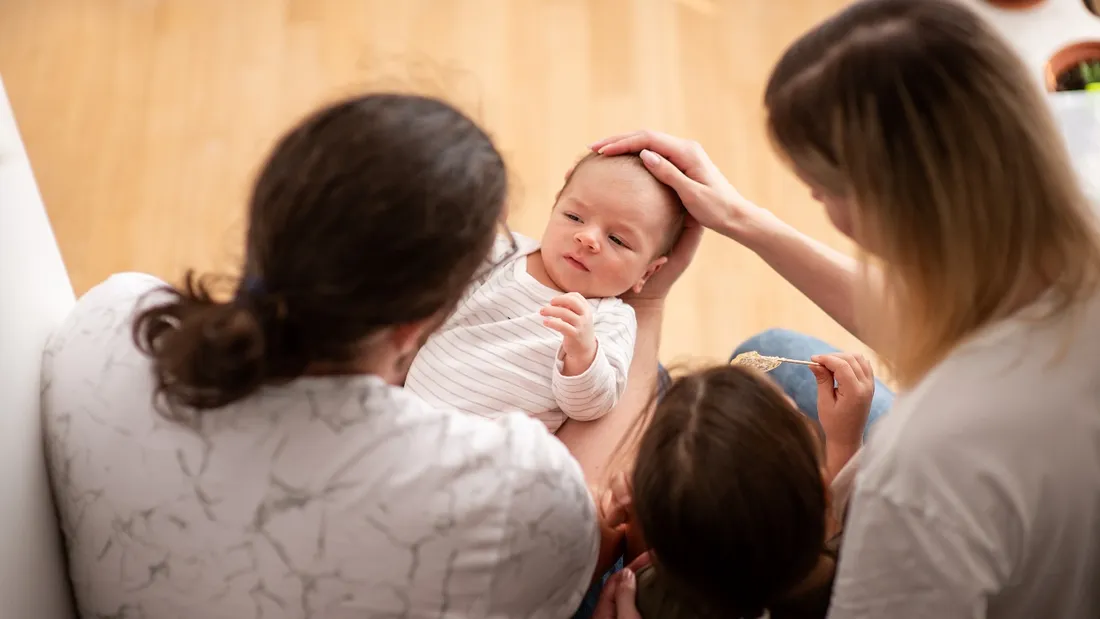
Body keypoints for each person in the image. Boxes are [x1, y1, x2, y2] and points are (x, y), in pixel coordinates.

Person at [39, 93, 694, 618]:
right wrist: (651, 303)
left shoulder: (109, 317)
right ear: (420, 323)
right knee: (651, 384)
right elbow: (578, 524)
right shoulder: (517, 486)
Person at [589, 0, 1100, 616]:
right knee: (782, 350)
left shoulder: (920, 475)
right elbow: (946, 319)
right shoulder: (1071, 228)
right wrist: (744, 220)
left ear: (896, 206)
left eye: (822, 188)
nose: (812, 197)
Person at [405, 152, 684, 432]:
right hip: (407, 409)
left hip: (488, 452)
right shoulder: (503, 254)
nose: (587, 238)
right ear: (555, 207)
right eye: (574, 217)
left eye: (616, 240)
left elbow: (592, 406)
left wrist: (583, 354)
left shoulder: (610, 319)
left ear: (647, 272)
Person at [589, 350, 875, 619]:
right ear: (825, 493)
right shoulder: (872, 554)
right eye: (792, 409)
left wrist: (632, 521)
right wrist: (844, 444)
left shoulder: (651, 599)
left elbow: (640, 564)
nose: (792, 402)